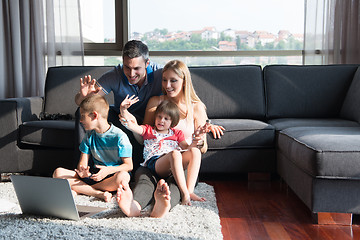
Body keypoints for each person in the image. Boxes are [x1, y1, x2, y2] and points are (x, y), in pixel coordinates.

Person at [116, 60, 225, 218]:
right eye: (164, 80)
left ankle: (163, 207)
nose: (167, 85)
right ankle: (134, 206)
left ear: (184, 81)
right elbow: (145, 136)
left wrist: (199, 139)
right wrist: (129, 121)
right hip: (154, 160)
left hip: (182, 162)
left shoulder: (196, 108)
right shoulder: (156, 102)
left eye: (173, 80)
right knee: (145, 181)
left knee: (175, 186)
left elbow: (200, 148)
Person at [119, 96, 210, 205]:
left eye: (166, 119)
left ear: (172, 122)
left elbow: (188, 148)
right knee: (175, 154)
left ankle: (190, 191)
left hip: (174, 162)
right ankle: (184, 193)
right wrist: (123, 110)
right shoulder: (149, 130)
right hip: (156, 163)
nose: (161, 120)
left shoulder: (177, 133)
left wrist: (196, 139)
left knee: (195, 151)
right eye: (159, 117)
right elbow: (133, 126)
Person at [53, 95, 133, 202]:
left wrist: (108, 170)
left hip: (111, 177)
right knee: (58, 173)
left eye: (82, 116)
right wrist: (83, 171)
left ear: (94, 115)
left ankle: (82, 189)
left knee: (123, 177)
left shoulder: (120, 136)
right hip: (93, 176)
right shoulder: (89, 135)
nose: (80, 120)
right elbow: (82, 164)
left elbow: (129, 166)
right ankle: (97, 193)